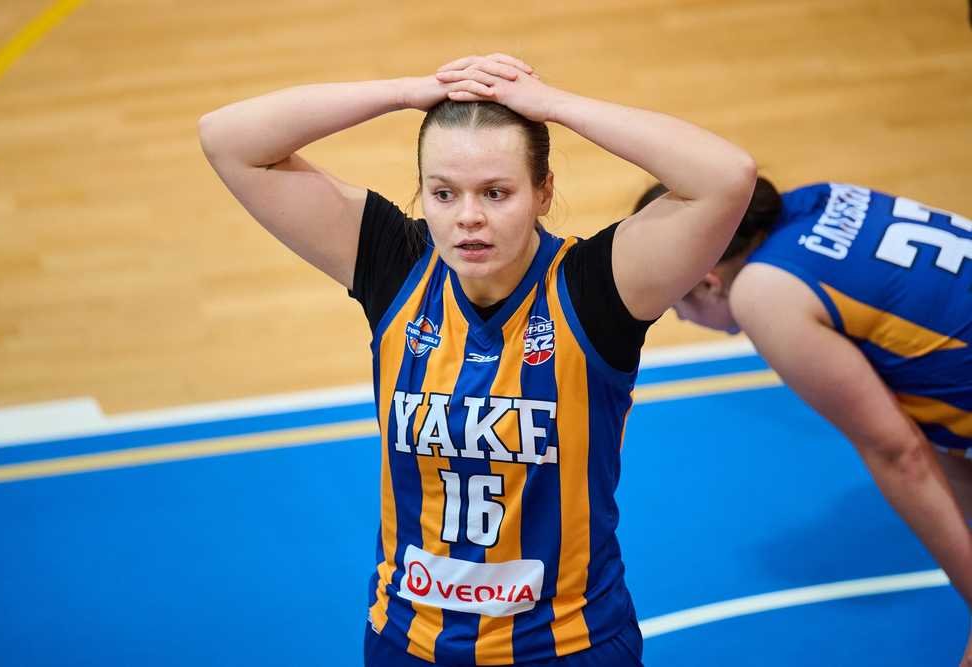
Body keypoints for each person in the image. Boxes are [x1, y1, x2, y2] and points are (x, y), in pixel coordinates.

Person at [199, 53, 756, 666]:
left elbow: (726, 176)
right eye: (444, 193)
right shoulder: (396, 265)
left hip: (568, 646)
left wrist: (556, 105)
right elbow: (228, 139)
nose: (468, 217)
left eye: (496, 192)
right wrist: (407, 91)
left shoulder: (595, 288)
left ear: (544, 191)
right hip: (408, 642)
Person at [635, 178, 972, 665]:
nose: (683, 321)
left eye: (676, 303)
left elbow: (901, 456)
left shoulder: (764, 291)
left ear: (708, 282)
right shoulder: (826, 198)